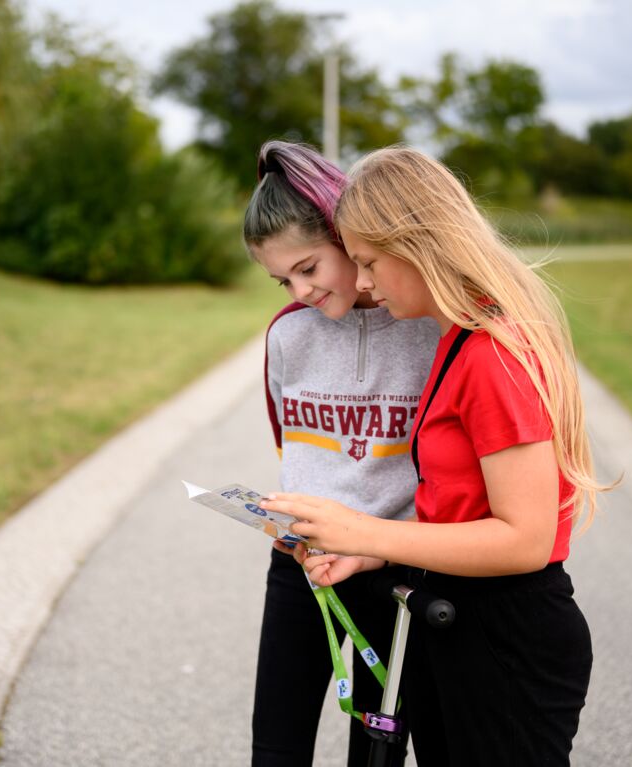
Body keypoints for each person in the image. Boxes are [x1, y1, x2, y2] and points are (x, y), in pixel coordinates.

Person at [260, 146, 614, 766]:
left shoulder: (491, 353)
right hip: (450, 617)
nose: (362, 282)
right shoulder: (457, 342)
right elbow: (453, 504)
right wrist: (369, 550)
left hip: (504, 634)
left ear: (415, 244)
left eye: (368, 262)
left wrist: (367, 532)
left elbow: (527, 540)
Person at [243, 140, 441, 767]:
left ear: (345, 236)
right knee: (275, 747)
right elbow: (291, 441)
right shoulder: (287, 335)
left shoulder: (427, 327)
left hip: (395, 570)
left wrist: (382, 537)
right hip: (303, 567)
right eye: (283, 279)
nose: (299, 290)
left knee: (377, 752)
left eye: (309, 267)